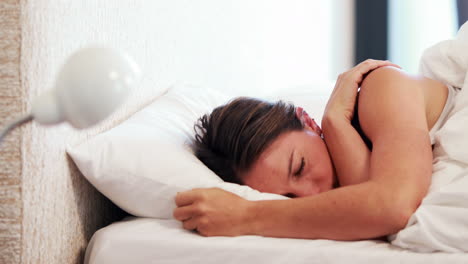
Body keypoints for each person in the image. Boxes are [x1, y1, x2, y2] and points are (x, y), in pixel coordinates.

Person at [173, 59, 452, 240]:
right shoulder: (353, 169)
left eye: (300, 167)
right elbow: (376, 211)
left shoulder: (380, 87)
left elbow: (393, 206)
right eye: (289, 197)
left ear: (307, 120)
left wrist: (245, 215)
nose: (310, 194)